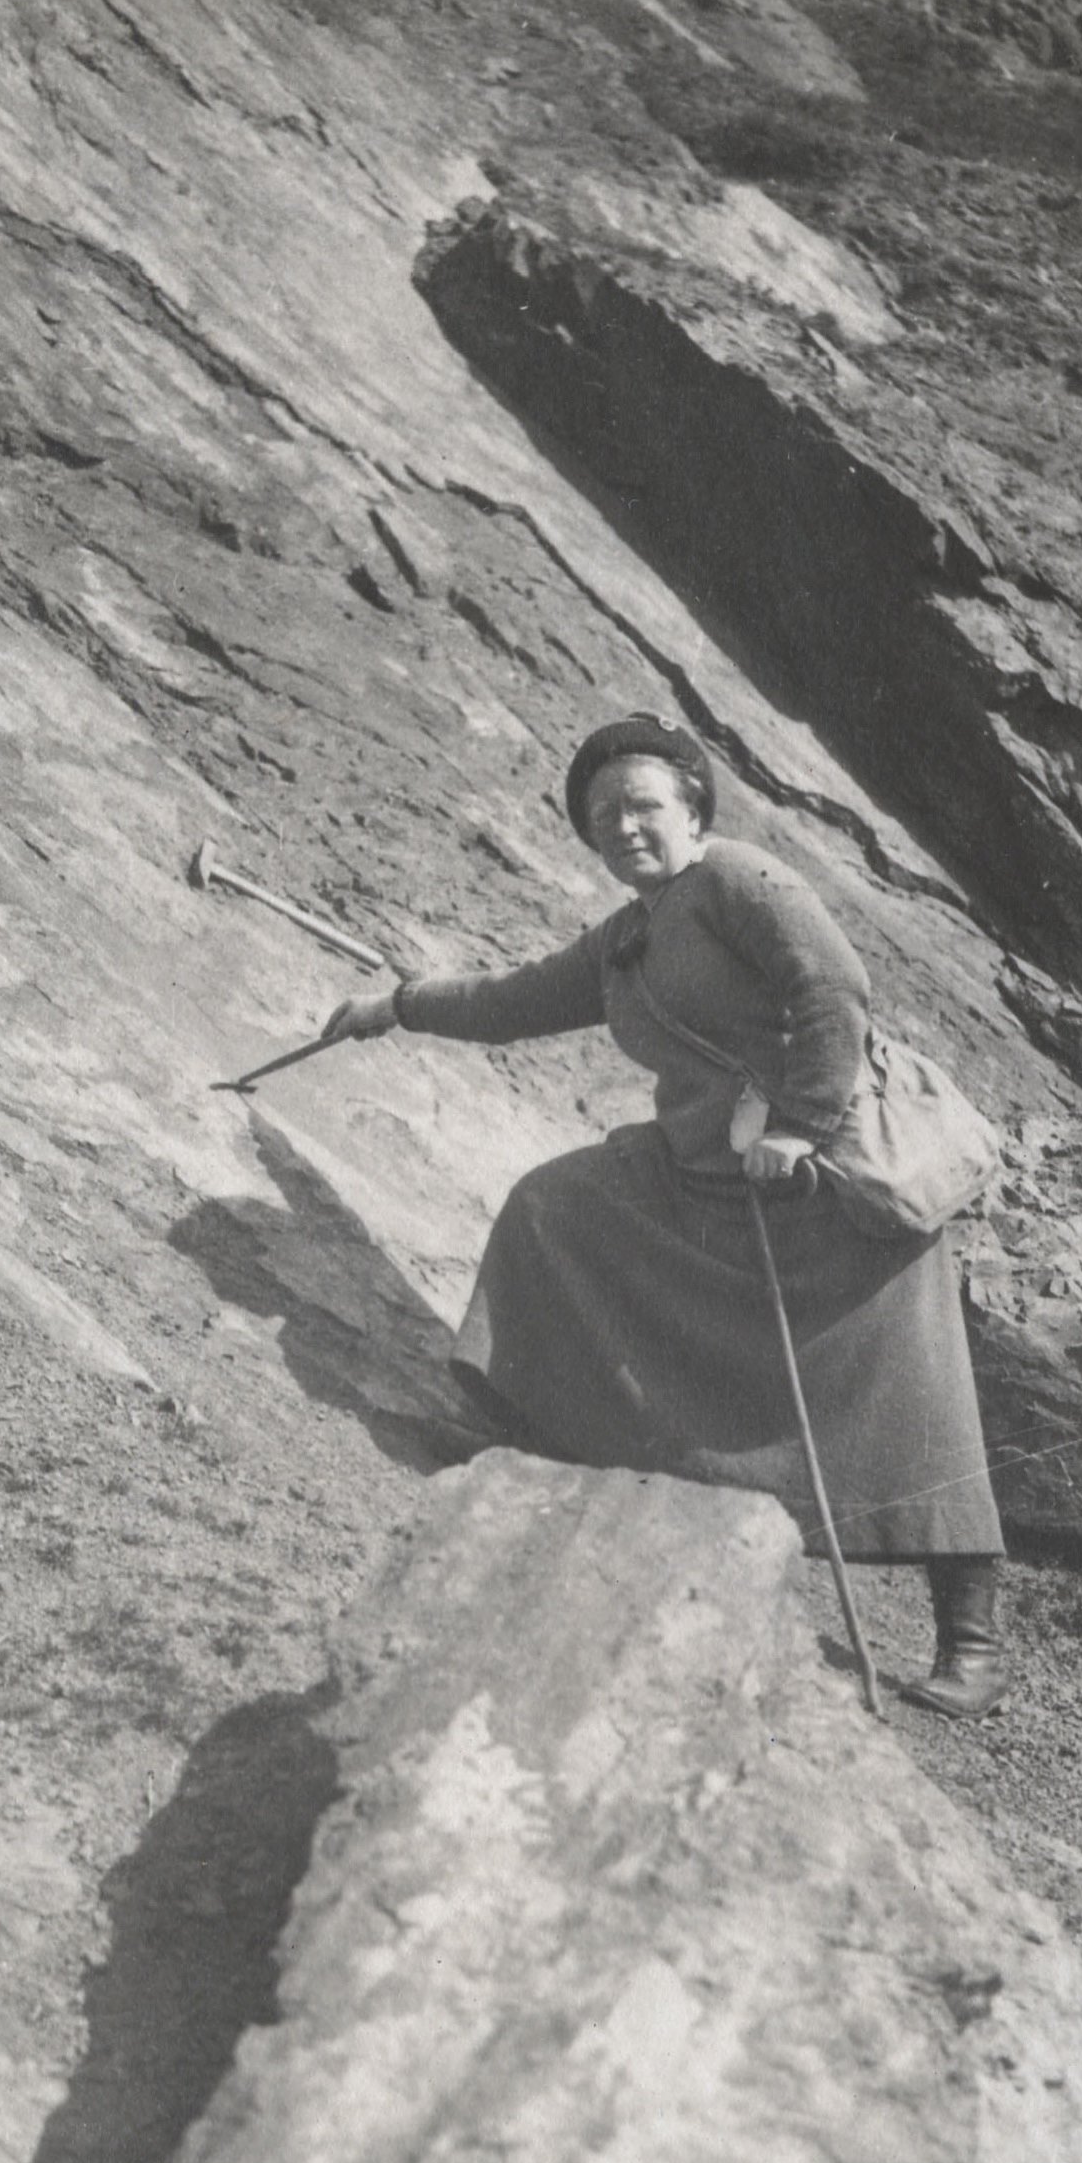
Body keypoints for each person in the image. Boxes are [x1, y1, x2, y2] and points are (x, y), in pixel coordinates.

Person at [324, 714, 1009, 1715]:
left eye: (643, 805)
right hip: (707, 1178)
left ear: (691, 806)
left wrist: (804, 1123)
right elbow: (514, 1001)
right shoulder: (628, 938)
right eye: (604, 818)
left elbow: (831, 988)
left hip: (835, 1182)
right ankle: (532, 1438)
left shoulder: (740, 882)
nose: (626, 829)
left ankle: (973, 1643)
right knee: (555, 1209)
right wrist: (397, 1003)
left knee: (911, 1396)